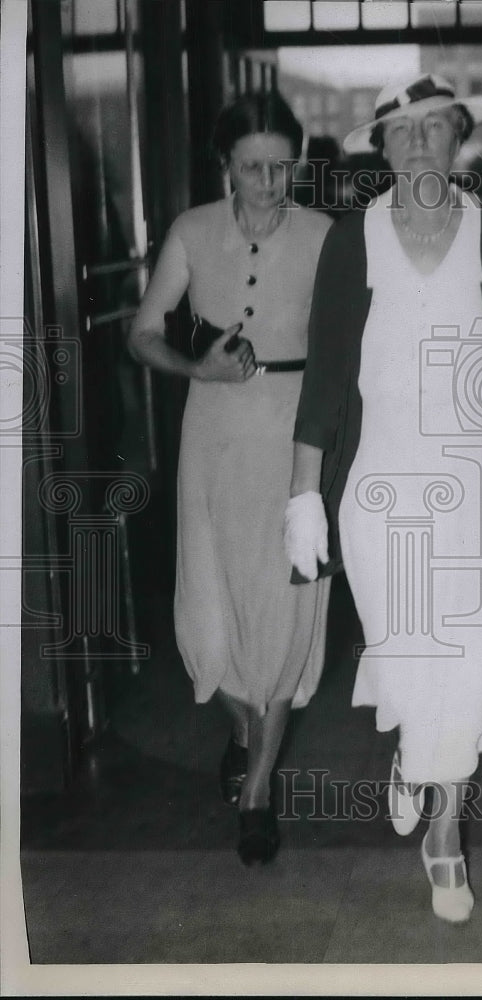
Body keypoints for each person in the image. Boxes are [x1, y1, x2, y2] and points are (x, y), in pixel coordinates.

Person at [285, 74, 482, 923]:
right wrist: (303, 495)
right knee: (416, 648)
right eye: (401, 129)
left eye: (435, 126)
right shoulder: (353, 241)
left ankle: (438, 816)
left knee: (470, 661)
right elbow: (326, 378)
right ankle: (428, 782)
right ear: (380, 147)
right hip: (380, 490)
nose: (418, 141)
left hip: (478, 487)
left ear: (459, 139)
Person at [128, 92, 332, 866]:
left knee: (282, 608)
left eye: (283, 165)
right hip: (211, 436)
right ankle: (245, 732)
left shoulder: (323, 237)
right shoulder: (190, 231)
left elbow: (350, 345)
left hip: (294, 441)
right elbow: (142, 333)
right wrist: (194, 367)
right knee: (211, 613)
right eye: (252, 166)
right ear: (226, 167)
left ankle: (256, 793)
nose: (269, 181)